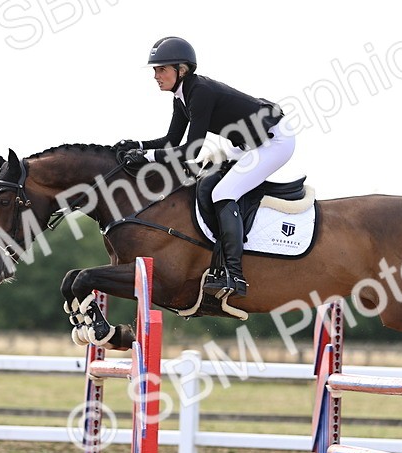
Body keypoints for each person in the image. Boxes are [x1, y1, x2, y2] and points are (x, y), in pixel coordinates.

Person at [116, 36, 295, 298]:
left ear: (182, 70)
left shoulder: (199, 92)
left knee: (224, 193)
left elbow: (191, 151)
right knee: (206, 183)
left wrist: (146, 157)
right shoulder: (182, 96)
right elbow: (170, 141)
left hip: (274, 142)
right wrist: (137, 144)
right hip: (247, 144)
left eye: (162, 69)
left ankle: (234, 275)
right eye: (155, 69)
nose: (156, 75)